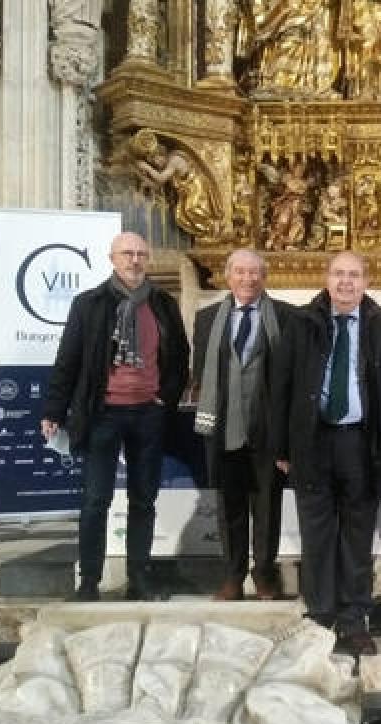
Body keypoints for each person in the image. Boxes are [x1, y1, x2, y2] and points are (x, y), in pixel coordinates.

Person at [270, 252, 381, 656]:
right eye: (339, 274)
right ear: (326, 278)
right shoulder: (300, 323)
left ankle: (354, 621)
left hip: (361, 445)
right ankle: (320, 617)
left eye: (354, 275)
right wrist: (281, 446)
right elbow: (279, 387)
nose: (346, 282)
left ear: (366, 281)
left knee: (356, 538)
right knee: (316, 537)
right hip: (312, 442)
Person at [42, 232, 189, 601]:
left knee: (144, 500)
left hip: (147, 415)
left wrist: (164, 399)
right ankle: (89, 581)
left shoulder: (163, 304)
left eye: (141, 253)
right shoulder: (89, 304)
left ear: (148, 258)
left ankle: (139, 578)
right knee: (95, 500)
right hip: (102, 413)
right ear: (112, 258)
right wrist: (53, 410)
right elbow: (68, 360)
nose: (134, 260)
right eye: (127, 253)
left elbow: (179, 359)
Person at [192, 249, 296, 601]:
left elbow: (292, 374)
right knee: (229, 507)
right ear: (228, 276)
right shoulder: (206, 319)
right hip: (223, 430)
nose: (247, 279)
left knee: (267, 508)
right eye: (240, 272)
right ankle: (232, 576)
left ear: (264, 277)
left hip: (268, 432)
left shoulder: (285, 316)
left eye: (254, 273)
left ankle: (264, 574)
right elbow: (199, 372)